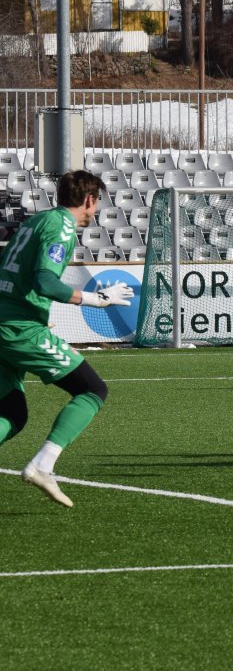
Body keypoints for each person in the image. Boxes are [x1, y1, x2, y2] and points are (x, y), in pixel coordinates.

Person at [0, 170, 133, 508]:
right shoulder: (60, 227)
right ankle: (42, 466)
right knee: (92, 390)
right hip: (18, 329)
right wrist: (96, 299)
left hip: (8, 322)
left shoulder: (35, 221)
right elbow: (45, 281)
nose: (97, 209)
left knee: (12, 413)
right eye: (98, 202)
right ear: (89, 199)